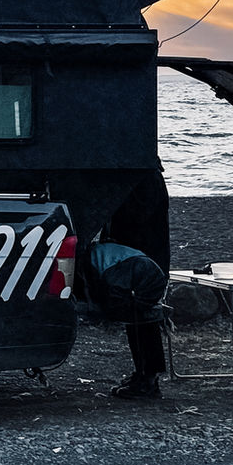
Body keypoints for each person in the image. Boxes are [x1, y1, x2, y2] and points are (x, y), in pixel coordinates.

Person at [101, 168, 170, 400]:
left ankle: (148, 378)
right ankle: (144, 374)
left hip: (143, 258)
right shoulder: (146, 176)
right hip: (144, 256)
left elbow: (135, 218)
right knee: (138, 315)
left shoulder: (144, 180)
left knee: (142, 315)